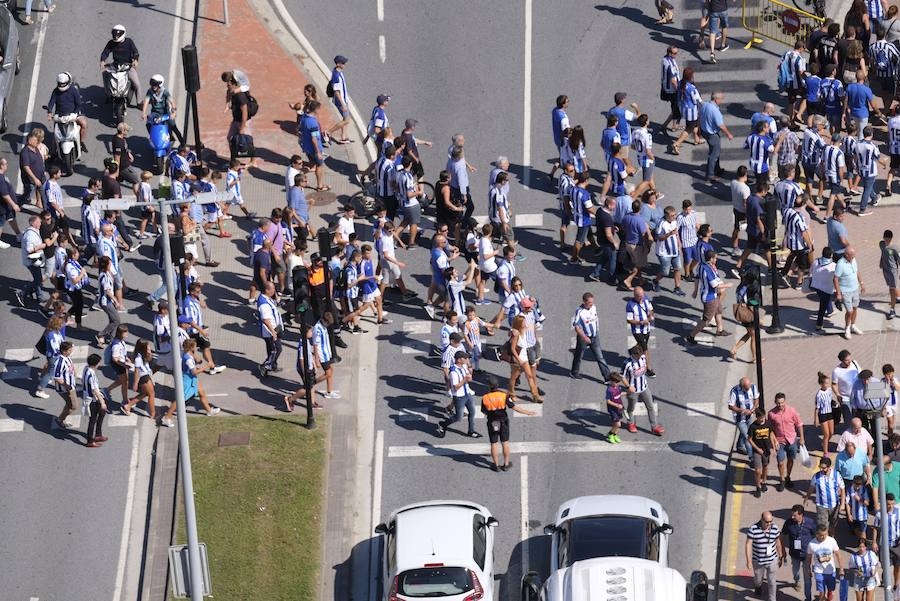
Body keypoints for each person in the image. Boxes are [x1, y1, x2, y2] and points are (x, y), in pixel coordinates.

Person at [481, 376, 535, 471]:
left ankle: (496, 465)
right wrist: (527, 412)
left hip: (492, 422)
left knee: (494, 443)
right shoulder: (504, 395)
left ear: (489, 386)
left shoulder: (485, 398)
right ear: (497, 385)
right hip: (503, 421)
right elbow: (514, 407)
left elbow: (484, 411)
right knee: (505, 443)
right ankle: (506, 464)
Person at [687, 250, 732, 344]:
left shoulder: (701, 266)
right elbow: (715, 285)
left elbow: (697, 278)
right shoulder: (708, 270)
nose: (716, 260)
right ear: (711, 259)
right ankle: (691, 336)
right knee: (706, 320)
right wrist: (727, 285)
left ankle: (720, 330)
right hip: (709, 298)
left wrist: (695, 290)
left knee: (719, 309)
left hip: (711, 295)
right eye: (715, 258)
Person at [437, 350, 480, 439]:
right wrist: (465, 380)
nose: (466, 360)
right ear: (459, 360)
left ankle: (471, 431)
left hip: (467, 394)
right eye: (464, 358)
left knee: (472, 412)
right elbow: (456, 387)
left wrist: (469, 375)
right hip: (459, 397)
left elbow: (468, 377)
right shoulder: (453, 372)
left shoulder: (463, 366)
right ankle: (443, 424)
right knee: (458, 417)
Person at [622, 344, 664, 436]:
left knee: (650, 407)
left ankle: (654, 427)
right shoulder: (627, 363)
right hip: (633, 391)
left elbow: (645, 368)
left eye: (640, 355)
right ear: (632, 354)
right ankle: (631, 423)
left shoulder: (643, 358)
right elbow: (622, 376)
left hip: (644, 388)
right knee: (631, 408)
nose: (639, 357)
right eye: (637, 356)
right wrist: (628, 387)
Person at [570, 292, 611, 382]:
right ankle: (574, 372)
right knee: (579, 355)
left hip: (594, 337)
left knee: (600, 357)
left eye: (592, 302)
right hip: (584, 337)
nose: (591, 304)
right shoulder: (580, 312)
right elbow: (576, 327)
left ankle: (607, 378)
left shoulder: (594, 307)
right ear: (584, 302)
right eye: (589, 303)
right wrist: (584, 337)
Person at [768, 393, 804, 490]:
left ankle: (788, 476)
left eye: (782, 402)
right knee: (780, 461)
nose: (780, 405)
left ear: (785, 401)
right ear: (775, 402)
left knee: (791, 460)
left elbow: (799, 424)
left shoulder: (792, 411)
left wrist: (802, 438)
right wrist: (773, 442)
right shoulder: (771, 413)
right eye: (778, 403)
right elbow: (770, 429)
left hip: (792, 440)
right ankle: (782, 479)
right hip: (779, 441)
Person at [46, 71, 88, 154]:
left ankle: (81, 142)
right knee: (55, 135)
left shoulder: (73, 90)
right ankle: (54, 153)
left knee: (84, 124)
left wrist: (75, 113)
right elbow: (51, 103)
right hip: (60, 117)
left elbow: (79, 104)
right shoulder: (55, 91)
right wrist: (49, 112)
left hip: (73, 115)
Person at [745, 511, 783, 601]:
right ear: (762, 520)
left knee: (772, 581)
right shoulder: (753, 529)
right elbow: (748, 544)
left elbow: (778, 542)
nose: (769, 524)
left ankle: (772, 599)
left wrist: (780, 556)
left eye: (771, 521)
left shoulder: (775, 528)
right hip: (758, 561)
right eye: (767, 522)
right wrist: (749, 561)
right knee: (758, 580)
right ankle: (758, 587)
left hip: (772, 560)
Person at [100, 25, 141, 107]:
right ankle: (109, 95)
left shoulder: (129, 42)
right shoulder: (111, 43)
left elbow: (135, 52)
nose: (116, 37)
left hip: (127, 66)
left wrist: (135, 60)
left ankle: (139, 102)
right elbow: (105, 52)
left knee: (137, 84)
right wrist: (102, 61)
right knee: (105, 74)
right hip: (116, 65)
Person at [803, 456, 845, 535]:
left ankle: (831, 538)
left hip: (834, 505)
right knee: (822, 526)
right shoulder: (816, 476)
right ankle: (824, 541)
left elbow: (843, 489)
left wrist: (842, 504)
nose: (822, 470)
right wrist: (807, 498)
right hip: (821, 506)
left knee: (833, 524)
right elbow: (811, 487)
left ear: (829, 467)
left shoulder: (836, 475)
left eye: (824, 468)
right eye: (820, 467)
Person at [783, 505, 817, 601]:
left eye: (794, 515)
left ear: (801, 515)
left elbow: (816, 536)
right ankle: (797, 581)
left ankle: (808, 598)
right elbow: (783, 536)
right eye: (792, 515)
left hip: (807, 554)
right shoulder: (788, 523)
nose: (792, 517)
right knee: (795, 570)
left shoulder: (810, 523)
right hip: (794, 553)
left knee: (807, 577)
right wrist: (782, 551)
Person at [699, 92, 733, 183]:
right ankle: (710, 175)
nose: (721, 101)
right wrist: (728, 134)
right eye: (721, 99)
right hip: (712, 135)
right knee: (714, 155)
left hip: (705, 131)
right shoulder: (715, 110)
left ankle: (716, 169)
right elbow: (721, 125)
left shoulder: (705, 104)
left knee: (714, 151)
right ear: (716, 99)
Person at [140, 74, 182, 144]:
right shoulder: (150, 91)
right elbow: (146, 102)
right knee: (148, 124)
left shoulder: (165, 92)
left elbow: (172, 102)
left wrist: (173, 112)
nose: (153, 86)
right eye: (152, 84)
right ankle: (153, 137)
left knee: (173, 126)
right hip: (155, 113)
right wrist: (143, 113)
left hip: (165, 113)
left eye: (155, 84)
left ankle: (182, 143)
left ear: (160, 84)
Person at [833, 246, 865, 339]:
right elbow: (835, 278)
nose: (853, 257)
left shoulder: (853, 260)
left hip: (855, 289)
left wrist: (862, 283)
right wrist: (838, 293)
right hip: (845, 291)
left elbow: (857, 271)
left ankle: (853, 325)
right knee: (849, 311)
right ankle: (847, 328)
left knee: (855, 308)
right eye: (852, 255)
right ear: (846, 255)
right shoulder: (840, 264)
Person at [807, 524, 843, 600]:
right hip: (819, 571)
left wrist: (841, 568)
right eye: (822, 535)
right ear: (817, 534)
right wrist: (808, 569)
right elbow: (809, 557)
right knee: (821, 592)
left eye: (825, 534)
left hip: (830, 571)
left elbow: (838, 554)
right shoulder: (811, 544)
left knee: (831, 591)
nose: (824, 537)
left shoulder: (831, 541)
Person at [122, 339, 156, 419]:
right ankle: (153, 413)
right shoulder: (138, 358)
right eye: (147, 348)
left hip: (146, 376)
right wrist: (135, 383)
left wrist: (149, 353)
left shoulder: (142, 355)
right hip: (144, 377)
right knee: (151, 395)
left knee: (144, 394)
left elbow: (149, 361)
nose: (149, 349)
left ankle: (128, 406)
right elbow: (137, 371)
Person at [626, 287, 655, 377]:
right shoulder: (630, 305)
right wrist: (641, 322)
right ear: (634, 295)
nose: (641, 298)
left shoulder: (645, 299)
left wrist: (650, 315)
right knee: (645, 349)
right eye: (639, 296)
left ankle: (633, 352)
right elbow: (629, 320)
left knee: (641, 347)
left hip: (646, 329)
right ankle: (648, 369)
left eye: (642, 295)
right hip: (637, 330)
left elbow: (651, 309)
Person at [872, 492, 900, 586]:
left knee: (897, 566)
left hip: (896, 544)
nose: (891, 506)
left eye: (892, 504)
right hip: (884, 544)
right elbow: (875, 528)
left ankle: (896, 584)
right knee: (886, 566)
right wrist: (874, 542)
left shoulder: (898, 511)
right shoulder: (879, 514)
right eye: (888, 504)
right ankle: (886, 583)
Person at [748, 408, 777, 497]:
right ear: (756, 417)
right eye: (760, 418)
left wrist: (774, 447)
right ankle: (758, 486)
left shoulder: (768, 423)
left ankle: (764, 481)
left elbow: (771, 434)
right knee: (757, 470)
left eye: (763, 417)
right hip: (757, 451)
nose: (762, 419)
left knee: (765, 466)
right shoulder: (753, 426)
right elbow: (749, 439)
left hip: (766, 450)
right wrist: (757, 449)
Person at [257, 281, 284, 378]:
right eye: (272, 289)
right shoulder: (263, 303)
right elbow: (266, 319)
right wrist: (273, 332)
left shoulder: (267, 298)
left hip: (276, 328)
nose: (274, 291)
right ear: (267, 290)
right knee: (277, 349)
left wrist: (276, 297)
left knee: (271, 349)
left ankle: (273, 365)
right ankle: (265, 365)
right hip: (270, 331)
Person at [82, 353, 108, 448]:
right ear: (96, 363)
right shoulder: (91, 374)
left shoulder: (86, 369)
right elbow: (94, 390)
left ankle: (98, 434)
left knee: (102, 413)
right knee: (92, 419)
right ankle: (90, 440)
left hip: (91, 397)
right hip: (92, 400)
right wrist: (102, 402)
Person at [729, 377, 760, 457]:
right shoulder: (734, 391)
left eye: (748, 388)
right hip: (740, 419)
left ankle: (739, 446)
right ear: (741, 386)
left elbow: (756, 399)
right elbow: (731, 406)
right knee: (748, 437)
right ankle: (752, 458)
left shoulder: (752, 387)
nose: (748, 390)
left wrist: (753, 409)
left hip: (750, 416)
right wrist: (743, 411)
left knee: (745, 433)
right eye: (746, 389)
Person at [326, 55, 351, 144]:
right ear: (338, 64)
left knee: (345, 119)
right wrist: (343, 104)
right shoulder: (336, 76)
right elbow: (336, 91)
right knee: (346, 120)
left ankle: (343, 138)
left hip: (344, 100)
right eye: (343, 63)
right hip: (341, 102)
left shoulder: (338, 72)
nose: (345, 64)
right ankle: (328, 132)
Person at [811, 247, 837, 332]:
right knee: (822, 307)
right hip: (827, 288)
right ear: (830, 255)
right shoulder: (833, 266)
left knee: (825, 300)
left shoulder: (816, 261)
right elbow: (836, 278)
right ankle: (818, 324)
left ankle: (830, 311)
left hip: (816, 286)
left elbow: (810, 271)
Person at [815, 372, 837, 455]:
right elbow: (817, 408)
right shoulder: (819, 395)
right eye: (826, 383)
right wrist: (816, 419)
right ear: (821, 384)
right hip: (823, 415)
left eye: (828, 383)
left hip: (830, 413)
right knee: (826, 434)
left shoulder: (829, 390)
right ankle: (825, 452)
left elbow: (830, 400)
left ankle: (824, 443)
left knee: (831, 432)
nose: (828, 385)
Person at [660, 46, 681, 131]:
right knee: (677, 107)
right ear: (669, 53)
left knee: (674, 107)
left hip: (666, 88)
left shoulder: (664, 59)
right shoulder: (669, 64)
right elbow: (673, 80)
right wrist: (679, 91)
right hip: (672, 90)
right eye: (675, 53)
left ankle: (671, 125)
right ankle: (673, 126)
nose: (676, 54)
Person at [880, 229, 899, 319]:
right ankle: (898, 297)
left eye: (888, 239)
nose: (887, 241)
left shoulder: (895, 248)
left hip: (893, 271)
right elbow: (882, 252)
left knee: (892, 289)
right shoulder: (881, 244)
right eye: (885, 239)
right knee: (892, 288)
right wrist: (881, 262)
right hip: (885, 270)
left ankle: (892, 309)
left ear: (891, 238)